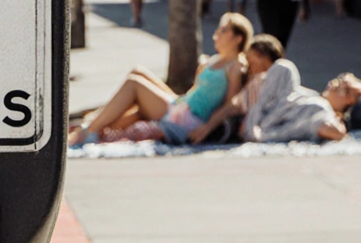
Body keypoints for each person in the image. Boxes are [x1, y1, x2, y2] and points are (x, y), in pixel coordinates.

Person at [68, 13, 252, 146]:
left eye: (224, 30)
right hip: (183, 104)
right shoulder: (214, 60)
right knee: (138, 72)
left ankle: (88, 130)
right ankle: (93, 127)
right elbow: (195, 90)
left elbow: (230, 104)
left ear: (238, 38)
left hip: (189, 118)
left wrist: (207, 128)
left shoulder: (235, 66)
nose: (217, 33)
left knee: (134, 83)